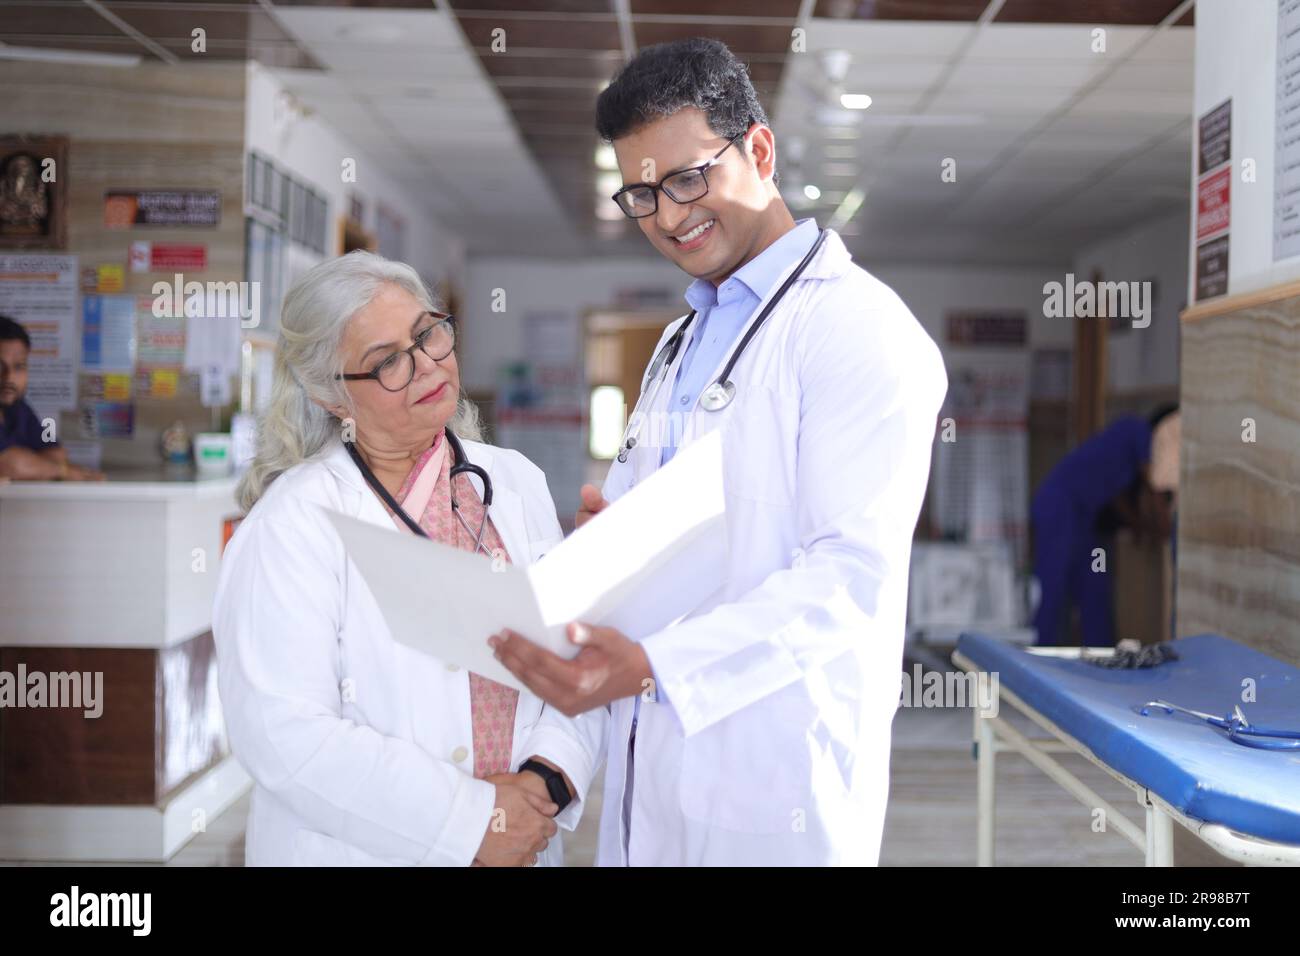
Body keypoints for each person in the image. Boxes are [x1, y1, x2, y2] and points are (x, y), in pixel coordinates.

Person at [490, 38, 948, 865]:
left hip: (777, 785)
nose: (666, 215)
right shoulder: (679, 342)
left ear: (759, 150)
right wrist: (610, 544)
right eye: (640, 193)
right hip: (652, 771)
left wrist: (650, 667)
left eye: (687, 178)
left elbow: (849, 581)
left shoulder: (859, 330)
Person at [212, 251, 606, 866]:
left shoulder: (515, 484)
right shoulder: (292, 526)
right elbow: (282, 734)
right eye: (388, 361)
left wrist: (545, 782)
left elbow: (570, 656)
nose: (427, 365)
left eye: (428, 334)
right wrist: (473, 823)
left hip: (527, 838)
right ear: (332, 395)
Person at [1031, 404, 1181, 647]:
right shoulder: (1136, 429)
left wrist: (1144, 528)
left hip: (1086, 517)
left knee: (1094, 588)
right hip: (1061, 506)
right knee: (1055, 584)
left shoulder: (1127, 448)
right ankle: (1041, 651)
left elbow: (1118, 497)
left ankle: (1099, 651)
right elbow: (1154, 484)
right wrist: (1164, 529)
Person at [0, 314, 102, 481]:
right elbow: (8, 465)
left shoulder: (18, 408)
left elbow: (56, 454)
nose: (9, 377)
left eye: (19, 367)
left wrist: (33, 465)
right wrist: (62, 472)